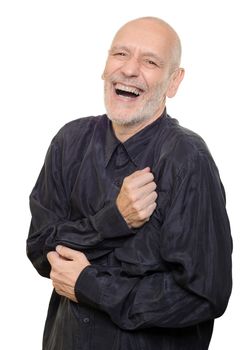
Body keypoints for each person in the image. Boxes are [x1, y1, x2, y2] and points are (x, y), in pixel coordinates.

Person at [26, 16, 232, 350]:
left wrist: (90, 285)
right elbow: (39, 249)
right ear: (105, 66)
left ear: (173, 82)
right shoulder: (69, 142)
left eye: (150, 61)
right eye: (121, 54)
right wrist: (114, 221)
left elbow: (204, 295)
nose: (130, 70)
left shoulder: (187, 160)